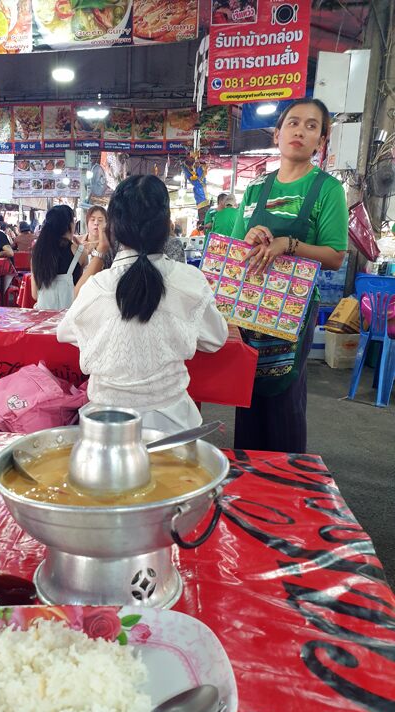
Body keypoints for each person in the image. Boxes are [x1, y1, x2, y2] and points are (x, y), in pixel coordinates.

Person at [57, 175, 228, 432]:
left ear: (112, 228)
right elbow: (216, 338)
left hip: (104, 428)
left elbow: (65, 333)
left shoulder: (98, 286)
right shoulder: (189, 280)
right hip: (174, 427)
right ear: (166, 225)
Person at [231, 98, 348, 453]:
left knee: (285, 400)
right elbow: (236, 249)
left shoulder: (326, 189)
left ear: (321, 141)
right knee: (246, 398)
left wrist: (290, 244)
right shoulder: (255, 189)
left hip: (292, 315)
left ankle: (286, 491)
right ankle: (247, 493)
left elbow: (334, 255)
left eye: (312, 126)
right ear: (278, 133)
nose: (300, 130)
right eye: (293, 123)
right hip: (249, 309)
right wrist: (249, 239)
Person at [31, 205, 88, 310]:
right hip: (69, 317)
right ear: (70, 225)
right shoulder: (80, 252)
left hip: (44, 316)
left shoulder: (37, 253)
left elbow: (35, 295)